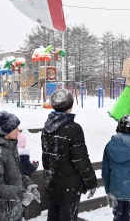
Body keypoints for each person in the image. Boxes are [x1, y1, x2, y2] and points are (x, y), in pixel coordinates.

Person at [41, 89, 98, 221]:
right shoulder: (73, 128)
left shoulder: (47, 127)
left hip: (51, 182)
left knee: (53, 216)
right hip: (69, 186)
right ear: (70, 107)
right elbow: (80, 160)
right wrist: (91, 182)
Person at [0, 111, 40, 221]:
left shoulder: (11, 146)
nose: (18, 130)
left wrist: (28, 185)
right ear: (5, 130)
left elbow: (16, 174)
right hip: (2, 215)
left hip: (14, 211)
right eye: (15, 127)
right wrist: (19, 193)